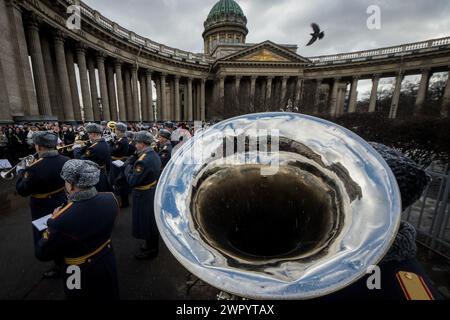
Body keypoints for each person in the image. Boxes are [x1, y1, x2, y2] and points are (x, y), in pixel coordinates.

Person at [35, 159, 120, 300]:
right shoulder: (110, 198)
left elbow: (42, 252)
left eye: (66, 181)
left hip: (76, 269)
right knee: (108, 292)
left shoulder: (60, 220)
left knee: (76, 296)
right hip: (106, 259)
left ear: (72, 185)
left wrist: (54, 221)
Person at [16, 131, 70, 277]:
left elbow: (22, 190)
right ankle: (64, 258)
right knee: (60, 229)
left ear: (39, 147)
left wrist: (21, 171)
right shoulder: (64, 159)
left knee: (47, 234)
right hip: (60, 198)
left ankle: (58, 264)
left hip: (42, 205)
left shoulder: (33, 168)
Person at [125, 131, 161, 260]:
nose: (135, 145)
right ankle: (150, 245)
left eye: (136, 143)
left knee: (148, 222)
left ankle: (151, 250)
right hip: (150, 191)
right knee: (150, 221)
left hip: (144, 195)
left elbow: (132, 181)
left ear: (142, 143)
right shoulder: (152, 154)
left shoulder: (143, 161)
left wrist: (128, 168)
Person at [73, 123, 111, 192]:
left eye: (89, 134)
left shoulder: (93, 147)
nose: (88, 136)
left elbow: (80, 159)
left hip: (95, 175)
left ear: (93, 134)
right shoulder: (105, 143)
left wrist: (76, 148)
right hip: (102, 173)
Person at [110, 123, 130, 208]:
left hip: (118, 162)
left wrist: (110, 144)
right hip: (119, 161)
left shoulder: (121, 141)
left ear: (120, 131)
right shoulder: (121, 139)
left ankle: (124, 201)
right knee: (119, 181)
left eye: (116, 130)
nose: (115, 131)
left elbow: (112, 151)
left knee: (120, 181)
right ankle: (123, 199)